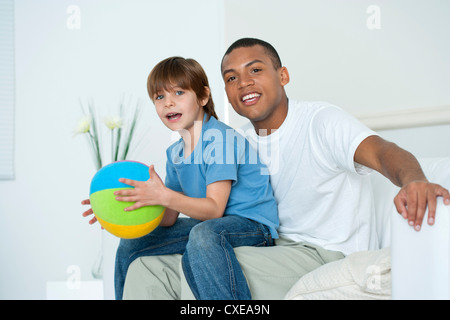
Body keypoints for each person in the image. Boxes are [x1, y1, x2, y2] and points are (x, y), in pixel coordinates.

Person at [113, 38, 450, 300]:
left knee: (200, 255)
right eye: (232, 77)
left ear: (283, 75)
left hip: (320, 253)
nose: (244, 82)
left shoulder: (320, 121)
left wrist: (415, 179)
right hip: (272, 249)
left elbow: (383, 151)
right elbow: (180, 209)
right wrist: (119, 207)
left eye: (255, 70)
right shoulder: (241, 140)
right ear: (225, 93)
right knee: (146, 268)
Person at [82, 56, 279, 300]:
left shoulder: (219, 140)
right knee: (131, 243)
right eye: (159, 97)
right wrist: (118, 208)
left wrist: (164, 194)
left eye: (178, 92)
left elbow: (215, 210)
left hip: (251, 226)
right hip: (211, 226)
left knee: (204, 233)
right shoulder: (175, 153)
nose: (168, 103)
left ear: (203, 97)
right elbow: (168, 217)